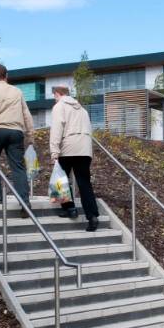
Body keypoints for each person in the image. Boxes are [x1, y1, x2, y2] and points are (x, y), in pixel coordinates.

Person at [0, 64, 34, 217]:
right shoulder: (17, 91)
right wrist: (30, 135)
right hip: (16, 132)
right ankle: (25, 203)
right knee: (18, 168)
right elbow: (26, 114)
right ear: (6, 75)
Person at [49, 85, 99, 232]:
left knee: (60, 180)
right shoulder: (82, 109)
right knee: (84, 183)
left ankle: (69, 209)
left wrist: (54, 152)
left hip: (68, 147)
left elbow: (57, 129)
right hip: (84, 149)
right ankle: (92, 216)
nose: (54, 98)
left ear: (58, 93)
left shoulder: (60, 106)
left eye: (54, 95)